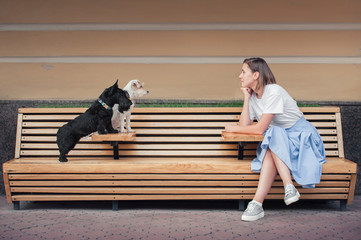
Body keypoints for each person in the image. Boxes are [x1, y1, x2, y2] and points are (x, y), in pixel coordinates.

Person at [225, 57, 326, 221]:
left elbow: (259, 129)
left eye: (243, 72)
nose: (240, 76)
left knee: (273, 133)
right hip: (278, 143)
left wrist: (233, 128)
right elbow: (246, 125)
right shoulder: (254, 96)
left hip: (302, 141)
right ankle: (286, 189)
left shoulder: (274, 91)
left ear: (256, 75)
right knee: (274, 135)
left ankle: (257, 203)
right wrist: (246, 98)